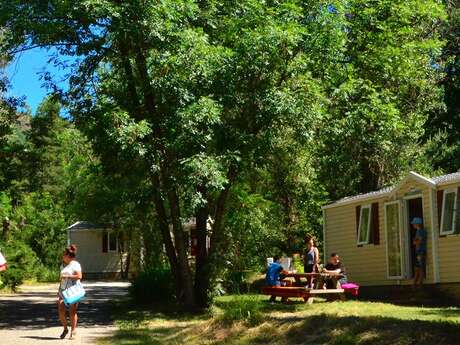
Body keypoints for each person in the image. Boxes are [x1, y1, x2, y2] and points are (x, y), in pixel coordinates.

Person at [57, 244, 82, 340]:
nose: (63, 256)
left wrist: (68, 276)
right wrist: (58, 290)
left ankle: (73, 331)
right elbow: (61, 280)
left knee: (72, 311)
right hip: (63, 291)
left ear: (68, 256)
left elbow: (79, 276)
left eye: (64, 254)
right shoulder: (62, 265)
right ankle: (65, 328)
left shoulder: (76, 264)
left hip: (73, 291)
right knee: (61, 311)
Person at [411, 217, 427, 287]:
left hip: (420, 251)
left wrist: (415, 241)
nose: (413, 225)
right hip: (419, 251)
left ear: (417, 224)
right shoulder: (420, 231)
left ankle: (419, 284)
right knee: (417, 268)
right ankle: (415, 284)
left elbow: (419, 241)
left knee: (420, 268)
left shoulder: (420, 231)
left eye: (414, 223)